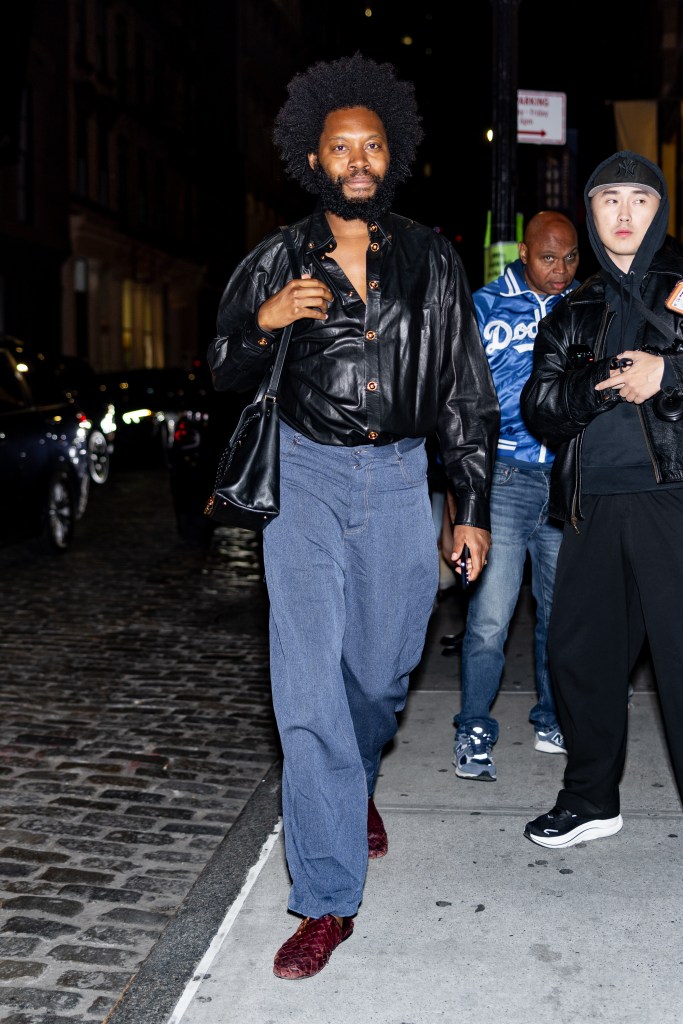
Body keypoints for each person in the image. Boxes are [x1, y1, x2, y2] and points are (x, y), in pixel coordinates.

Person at [207, 53, 500, 978]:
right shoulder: (275, 255)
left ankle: (353, 776)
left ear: (391, 156)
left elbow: (464, 393)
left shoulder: (430, 257)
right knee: (306, 692)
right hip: (303, 482)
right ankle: (325, 899)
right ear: (314, 159)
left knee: (377, 675)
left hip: (401, 478)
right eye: (343, 147)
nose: (359, 159)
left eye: (373, 145)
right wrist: (264, 323)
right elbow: (220, 367)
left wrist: (471, 507)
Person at [520, 151, 683, 848]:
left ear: (658, 210)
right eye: (607, 200)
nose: (622, 214)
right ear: (589, 214)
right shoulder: (573, 309)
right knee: (578, 657)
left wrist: (667, 371)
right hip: (591, 506)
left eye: (637, 200)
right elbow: (539, 405)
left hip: (671, 503)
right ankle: (590, 800)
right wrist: (596, 387)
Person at [446, 212, 580, 781]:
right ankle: (474, 727)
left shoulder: (582, 307)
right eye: (549, 257)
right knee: (491, 617)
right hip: (501, 475)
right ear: (523, 253)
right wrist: (458, 499)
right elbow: (454, 397)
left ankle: (551, 716)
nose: (560, 269)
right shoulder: (483, 305)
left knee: (559, 613)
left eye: (571, 257)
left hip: (563, 478)